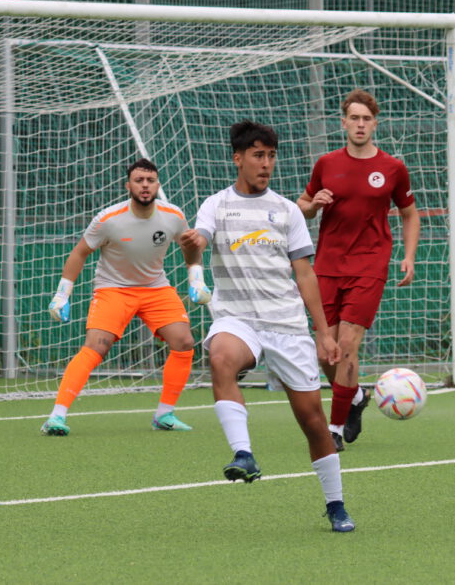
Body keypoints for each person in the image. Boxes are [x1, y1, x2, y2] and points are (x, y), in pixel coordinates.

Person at [178, 119, 354, 533]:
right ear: (237, 158)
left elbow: (305, 274)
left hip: (287, 326)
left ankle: (336, 504)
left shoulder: (288, 210)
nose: (266, 163)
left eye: (271, 156)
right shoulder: (216, 205)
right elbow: (199, 241)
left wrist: (323, 333)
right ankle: (243, 454)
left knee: (314, 423)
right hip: (238, 320)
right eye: (258, 155)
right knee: (221, 356)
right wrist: (193, 246)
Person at [40, 158, 211, 436]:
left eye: (150, 180)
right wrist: (62, 294)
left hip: (156, 288)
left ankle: (164, 414)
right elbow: (79, 253)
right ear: (128, 185)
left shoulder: (173, 215)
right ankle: (56, 416)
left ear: (157, 184)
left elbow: (189, 247)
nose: (145, 186)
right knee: (96, 346)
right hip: (113, 289)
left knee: (184, 342)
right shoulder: (108, 219)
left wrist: (196, 278)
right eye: (139, 180)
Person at [296, 89, 420, 451]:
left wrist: (409, 256)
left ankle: (334, 429)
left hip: (369, 264)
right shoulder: (326, 163)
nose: (360, 124)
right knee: (325, 352)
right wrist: (313, 205)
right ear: (344, 122)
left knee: (347, 345)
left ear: (375, 124)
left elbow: (410, 214)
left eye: (367, 119)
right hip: (327, 265)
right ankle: (354, 396)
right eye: (354, 118)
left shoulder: (393, 168)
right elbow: (302, 205)